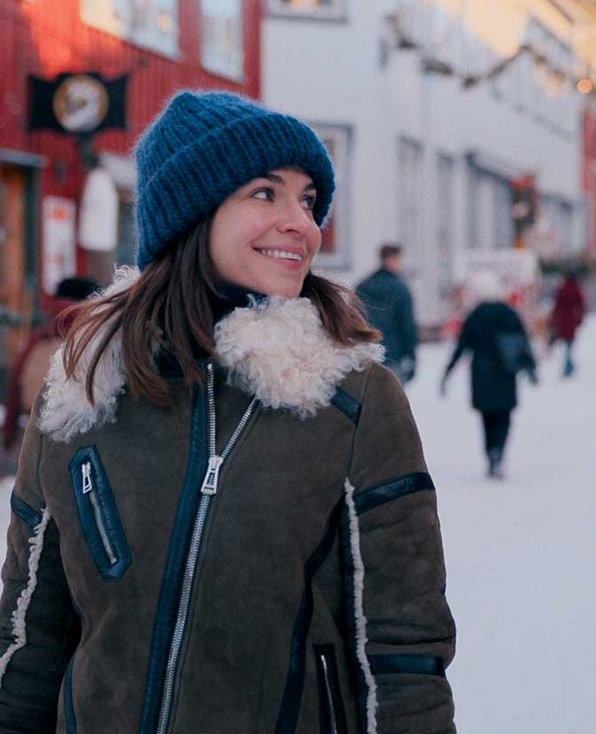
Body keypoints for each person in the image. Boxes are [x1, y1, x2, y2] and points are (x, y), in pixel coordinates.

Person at [0, 92, 456, 732]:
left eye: (307, 200)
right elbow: (28, 638)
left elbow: (403, 651)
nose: (301, 222)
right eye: (266, 194)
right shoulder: (83, 389)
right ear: (191, 214)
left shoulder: (352, 399)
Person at [441, 272, 537, 479]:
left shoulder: (475, 315)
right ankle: (499, 451)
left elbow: (461, 345)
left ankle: (491, 453)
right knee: (504, 415)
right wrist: (531, 368)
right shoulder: (509, 313)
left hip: (481, 374)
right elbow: (523, 342)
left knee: (486, 418)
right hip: (505, 372)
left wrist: (447, 372)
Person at [2, 276, 97, 458]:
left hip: (35, 437)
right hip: (82, 441)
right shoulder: (96, 341)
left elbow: (15, 385)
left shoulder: (39, 339)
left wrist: (9, 431)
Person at [356, 242, 419, 383]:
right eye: (399, 259)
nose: (401, 264)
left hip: (366, 356)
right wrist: (411, 356)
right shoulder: (400, 289)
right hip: (392, 356)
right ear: (391, 259)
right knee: (391, 402)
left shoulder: (363, 286)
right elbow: (407, 325)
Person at [548, 271, 586, 378]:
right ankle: (569, 367)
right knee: (569, 346)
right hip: (571, 322)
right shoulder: (576, 290)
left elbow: (556, 306)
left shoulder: (561, 289)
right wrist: (579, 320)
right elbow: (581, 306)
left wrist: (554, 321)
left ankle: (568, 367)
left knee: (567, 346)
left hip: (562, 322)